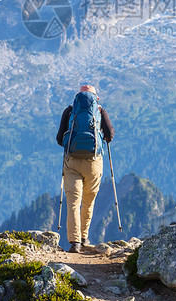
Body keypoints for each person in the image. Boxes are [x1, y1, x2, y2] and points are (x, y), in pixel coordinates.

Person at [56, 84, 114, 253]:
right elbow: (110, 135)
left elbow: (60, 139)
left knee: (73, 202)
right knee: (88, 201)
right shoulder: (100, 111)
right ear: (95, 98)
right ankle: (84, 237)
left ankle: (74, 243)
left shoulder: (69, 111)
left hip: (72, 162)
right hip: (93, 162)